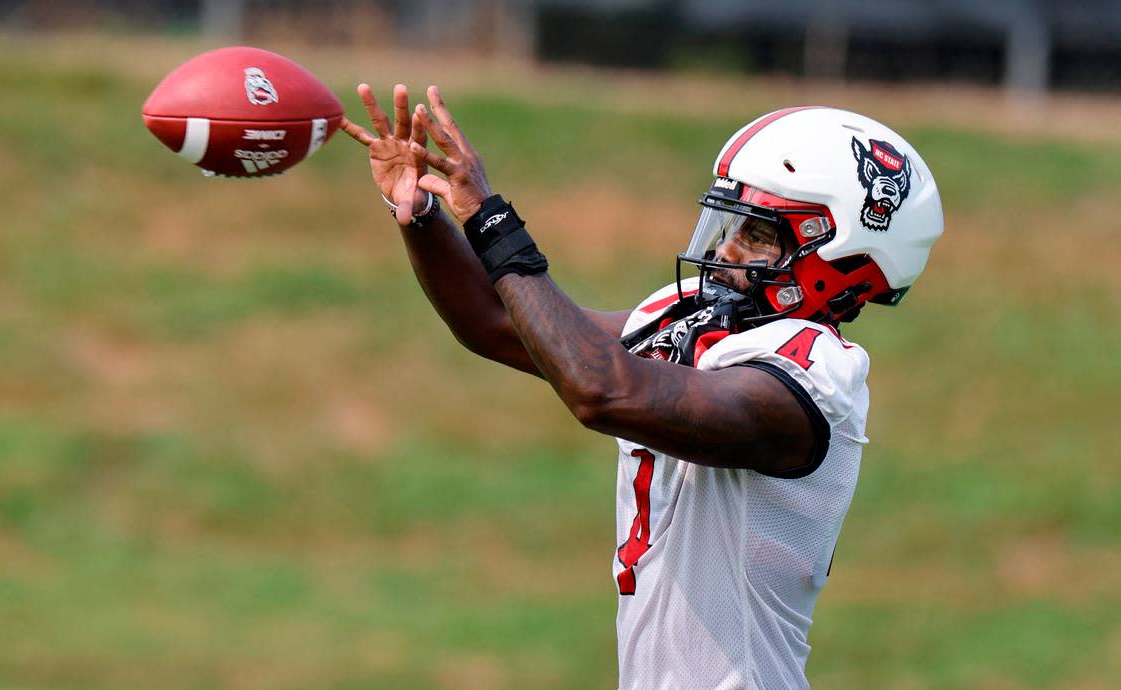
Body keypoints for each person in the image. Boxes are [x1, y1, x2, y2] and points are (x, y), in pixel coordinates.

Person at [341, 84, 944, 690]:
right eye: (733, 224)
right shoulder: (693, 319)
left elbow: (600, 390)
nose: (726, 248)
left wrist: (493, 223)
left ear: (841, 255)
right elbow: (497, 323)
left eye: (758, 235)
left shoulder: (814, 376)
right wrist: (420, 214)